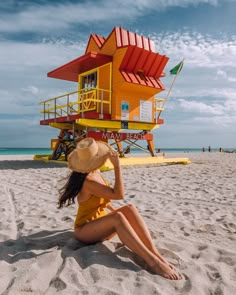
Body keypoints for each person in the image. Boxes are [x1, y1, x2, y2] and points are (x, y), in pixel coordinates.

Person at [58, 137, 182, 280]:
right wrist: (117, 166)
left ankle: (156, 255)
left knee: (129, 208)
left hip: (99, 225)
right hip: (84, 230)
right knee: (118, 218)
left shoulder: (95, 172)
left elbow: (101, 201)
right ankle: (153, 262)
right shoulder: (88, 181)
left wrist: (116, 210)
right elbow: (118, 194)